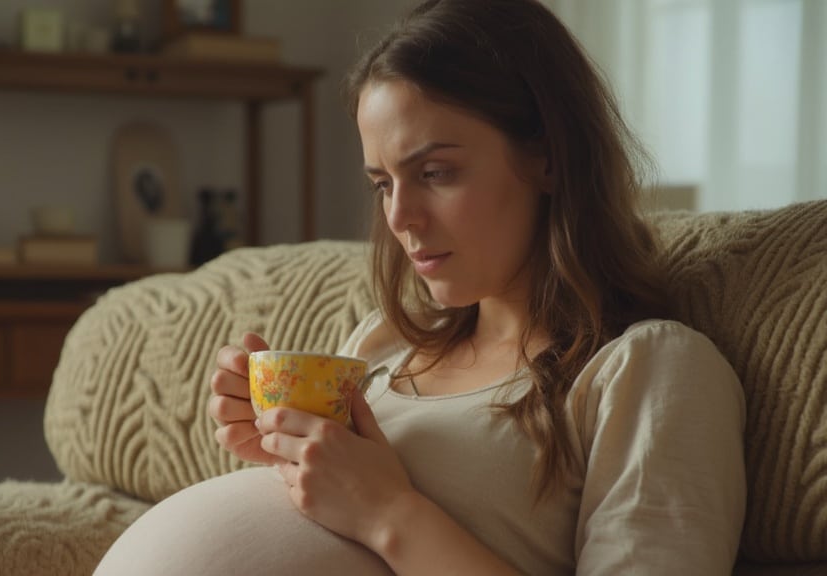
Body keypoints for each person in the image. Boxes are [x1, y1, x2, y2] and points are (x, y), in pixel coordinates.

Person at [93, 0, 746, 574]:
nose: (398, 218)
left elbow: (373, 529)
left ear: (548, 157)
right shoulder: (381, 348)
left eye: (434, 171)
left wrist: (388, 513)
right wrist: (285, 456)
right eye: (382, 183)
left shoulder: (650, 369)